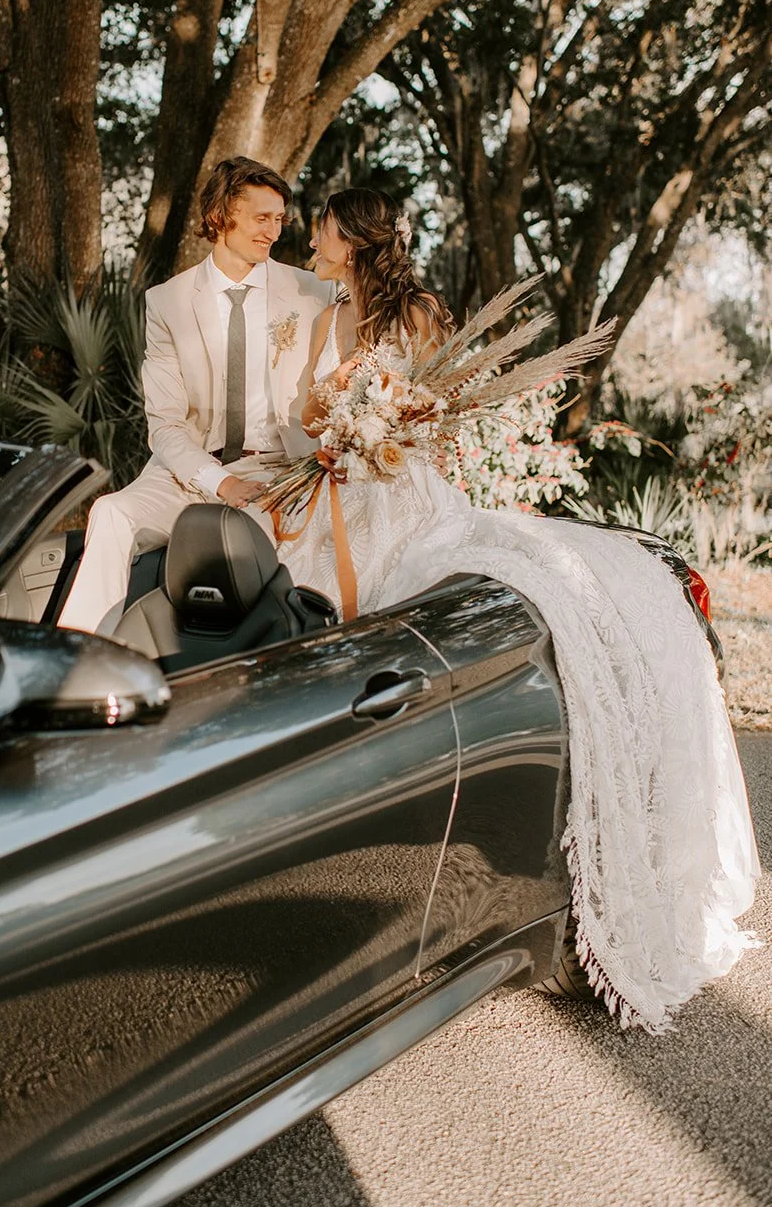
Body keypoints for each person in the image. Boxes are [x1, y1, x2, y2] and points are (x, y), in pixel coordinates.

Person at [279, 185, 760, 1034]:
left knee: (432, 586)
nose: (308, 238)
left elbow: (445, 414)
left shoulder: (417, 311)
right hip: (337, 487)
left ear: (349, 235)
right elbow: (304, 411)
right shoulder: (324, 317)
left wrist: (388, 427)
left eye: (318, 228)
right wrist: (334, 426)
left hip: (399, 489)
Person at [57, 156, 332, 635]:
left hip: (277, 470)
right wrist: (217, 482)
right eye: (261, 218)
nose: (274, 231)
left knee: (264, 550)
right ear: (223, 215)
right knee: (110, 513)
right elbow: (164, 424)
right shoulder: (167, 301)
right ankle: (78, 658)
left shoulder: (312, 292)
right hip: (189, 469)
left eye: (279, 219)